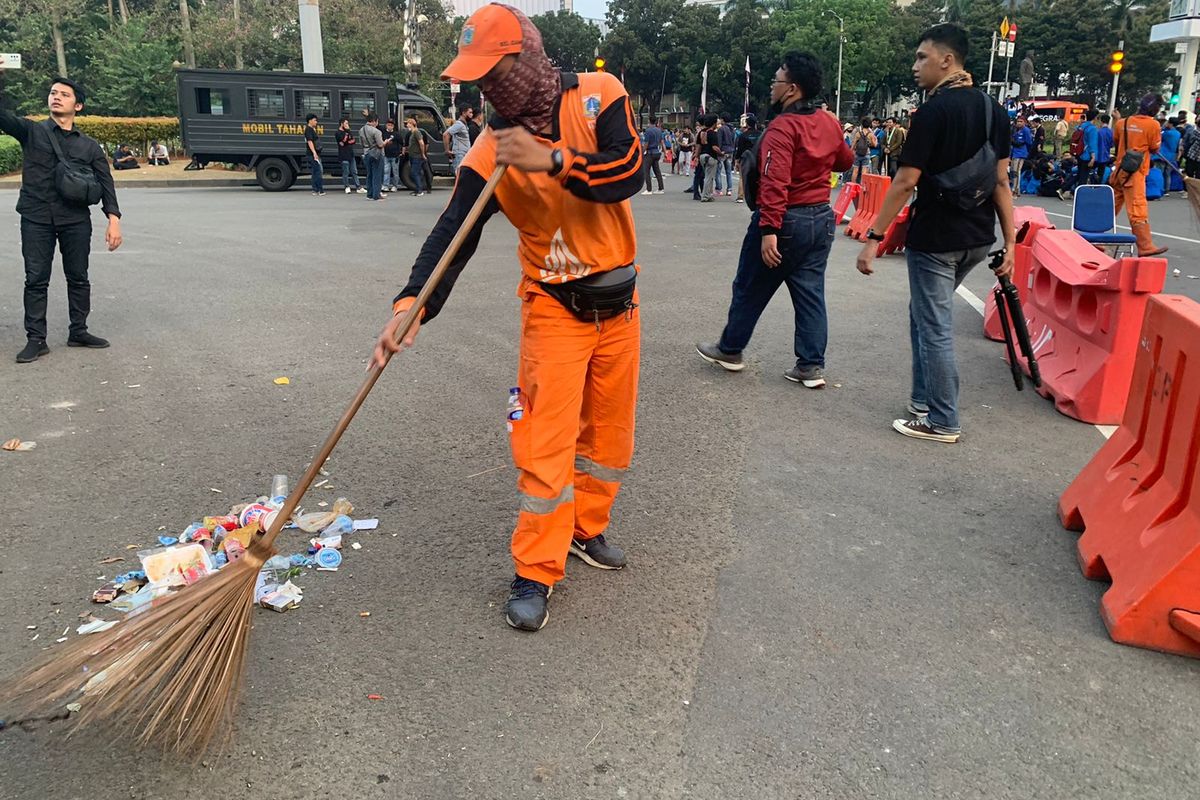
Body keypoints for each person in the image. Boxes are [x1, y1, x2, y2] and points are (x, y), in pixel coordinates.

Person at [370, 3, 643, 632]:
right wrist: (413, 304)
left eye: (497, 70)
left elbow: (626, 172)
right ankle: (536, 568)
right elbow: (452, 235)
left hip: (620, 306)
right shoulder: (490, 149)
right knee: (544, 446)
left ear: (528, 56)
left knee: (607, 438)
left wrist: (553, 160)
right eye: (480, 77)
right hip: (555, 309)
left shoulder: (599, 97)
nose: (490, 87)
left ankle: (585, 529)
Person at [855, 23, 1015, 444]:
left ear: (947, 60)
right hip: (977, 238)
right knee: (924, 316)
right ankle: (922, 400)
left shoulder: (931, 112)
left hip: (936, 239)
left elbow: (905, 182)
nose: (915, 66)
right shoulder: (994, 111)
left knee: (935, 325)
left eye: (921, 57)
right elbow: (1001, 183)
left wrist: (874, 238)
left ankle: (942, 419)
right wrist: (1011, 243)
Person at [697, 52, 852, 388]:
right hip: (820, 218)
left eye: (777, 80)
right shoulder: (828, 122)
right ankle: (811, 365)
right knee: (810, 294)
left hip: (785, 220)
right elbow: (844, 161)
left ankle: (731, 348)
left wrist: (769, 229)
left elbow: (774, 181)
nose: (772, 85)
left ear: (792, 88)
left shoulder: (783, 126)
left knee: (749, 286)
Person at [0, 73, 123, 363]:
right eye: (53, 92)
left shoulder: (89, 146)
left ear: (77, 106)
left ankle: (78, 331)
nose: (56, 96)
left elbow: (106, 183)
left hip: (75, 219)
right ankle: (36, 339)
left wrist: (114, 219)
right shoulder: (32, 132)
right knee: (36, 278)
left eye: (64, 94)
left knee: (78, 277)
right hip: (36, 216)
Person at [1111, 94, 1167, 256]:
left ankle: (1093, 239)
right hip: (1135, 173)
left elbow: (1117, 141)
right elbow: (1155, 148)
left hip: (1120, 170)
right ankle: (1145, 245)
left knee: (1111, 205)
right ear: (1155, 109)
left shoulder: (1123, 123)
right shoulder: (1153, 125)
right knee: (1137, 208)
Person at [733, 113, 761, 203]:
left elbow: (739, 149)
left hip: (745, 158)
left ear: (747, 124)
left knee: (742, 177)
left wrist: (736, 160)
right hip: (757, 158)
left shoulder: (743, 135)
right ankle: (757, 196)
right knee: (758, 177)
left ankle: (740, 196)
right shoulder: (760, 135)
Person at [360, 111, 386, 200]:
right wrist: (385, 142)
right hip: (377, 154)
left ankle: (369, 194)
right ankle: (376, 195)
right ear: (374, 121)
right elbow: (380, 144)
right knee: (377, 174)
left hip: (366, 153)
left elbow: (361, 143)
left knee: (369, 174)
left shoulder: (361, 130)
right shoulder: (376, 131)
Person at [336, 117, 364, 194]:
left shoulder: (348, 132)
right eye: (346, 123)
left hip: (351, 154)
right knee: (346, 172)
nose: (348, 125)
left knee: (354, 171)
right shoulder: (338, 133)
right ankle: (347, 186)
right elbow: (343, 141)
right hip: (343, 155)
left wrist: (347, 140)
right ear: (342, 124)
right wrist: (347, 136)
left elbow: (353, 141)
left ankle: (358, 187)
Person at [698, 113, 722, 202]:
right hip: (711, 156)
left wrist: (696, 156)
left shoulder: (702, 132)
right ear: (713, 123)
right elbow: (714, 147)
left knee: (708, 176)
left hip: (702, 156)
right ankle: (705, 196)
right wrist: (721, 153)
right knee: (709, 177)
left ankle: (708, 195)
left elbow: (699, 146)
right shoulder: (712, 133)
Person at [443, 106, 474, 175]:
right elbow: (446, 134)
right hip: (459, 155)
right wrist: (447, 150)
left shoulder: (464, 125)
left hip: (463, 155)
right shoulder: (459, 124)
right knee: (459, 177)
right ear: (463, 113)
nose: (472, 115)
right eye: (470, 112)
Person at [403, 115, 428, 196]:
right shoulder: (412, 133)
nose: (406, 125)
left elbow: (421, 143)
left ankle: (419, 190)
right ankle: (417, 189)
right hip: (412, 155)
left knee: (414, 173)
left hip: (417, 156)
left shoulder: (417, 132)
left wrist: (423, 154)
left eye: (408, 123)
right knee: (416, 172)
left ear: (412, 124)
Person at [1010, 116, 1033, 196]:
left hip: (1021, 152)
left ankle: (1015, 189)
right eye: (1018, 121)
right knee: (1013, 170)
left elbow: (1029, 142)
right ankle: (1015, 187)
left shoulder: (1026, 130)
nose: (1019, 123)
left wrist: (1027, 151)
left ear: (1025, 122)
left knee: (1016, 171)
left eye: (1021, 121)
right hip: (1015, 152)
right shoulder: (1016, 130)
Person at [1076, 109, 1100, 187]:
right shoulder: (1092, 129)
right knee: (1084, 177)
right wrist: (1093, 158)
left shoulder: (1081, 126)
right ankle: (1080, 194)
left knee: (1080, 174)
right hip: (1087, 155)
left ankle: (1074, 191)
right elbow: (1092, 144)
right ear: (1095, 118)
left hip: (1079, 153)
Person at [641, 115, 665, 194]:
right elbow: (662, 142)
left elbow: (646, 144)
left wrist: (642, 152)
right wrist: (665, 152)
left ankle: (649, 189)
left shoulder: (648, 131)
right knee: (657, 171)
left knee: (646, 170)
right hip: (657, 152)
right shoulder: (659, 130)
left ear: (649, 121)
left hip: (650, 153)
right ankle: (661, 188)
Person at [1159, 116, 1182, 195]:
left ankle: (1161, 188)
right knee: (1168, 173)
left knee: (1161, 172)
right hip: (1172, 155)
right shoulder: (1178, 133)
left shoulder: (1167, 133)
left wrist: (1163, 127)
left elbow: (1160, 135)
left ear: (1171, 123)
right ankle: (1167, 189)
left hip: (1163, 154)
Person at [304, 113, 324, 196]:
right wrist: (314, 153)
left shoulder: (311, 129)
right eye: (315, 120)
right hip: (313, 154)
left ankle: (315, 189)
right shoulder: (308, 129)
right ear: (310, 120)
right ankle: (319, 190)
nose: (316, 122)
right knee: (318, 171)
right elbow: (310, 141)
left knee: (315, 171)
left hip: (313, 154)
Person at [850, 117, 874, 183]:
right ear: (870, 124)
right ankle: (862, 186)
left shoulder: (858, 133)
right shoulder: (870, 134)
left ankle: (853, 185)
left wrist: (851, 151)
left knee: (855, 171)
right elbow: (874, 144)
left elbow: (853, 144)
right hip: (866, 153)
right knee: (864, 171)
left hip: (857, 153)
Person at [718, 113, 736, 196]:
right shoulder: (733, 129)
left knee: (718, 171)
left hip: (723, 151)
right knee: (728, 171)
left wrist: (719, 150)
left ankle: (719, 189)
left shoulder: (721, 129)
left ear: (723, 120)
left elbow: (719, 141)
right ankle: (729, 189)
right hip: (730, 151)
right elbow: (734, 140)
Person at [382, 120, 402, 192]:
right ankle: (385, 185)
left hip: (395, 156)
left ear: (393, 126)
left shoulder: (397, 134)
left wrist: (400, 152)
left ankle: (395, 186)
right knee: (386, 171)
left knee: (395, 171)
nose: (389, 126)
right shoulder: (383, 134)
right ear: (386, 125)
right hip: (386, 156)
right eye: (388, 125)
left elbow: (401, 143)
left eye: (391, 125)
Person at [1095, 113, 1114, 185]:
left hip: (1097, 155)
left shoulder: (1098, 132)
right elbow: (1112, 144)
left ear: (1101, 121)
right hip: (1106, 155)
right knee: (1101, 173)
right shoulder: (1111, 132)